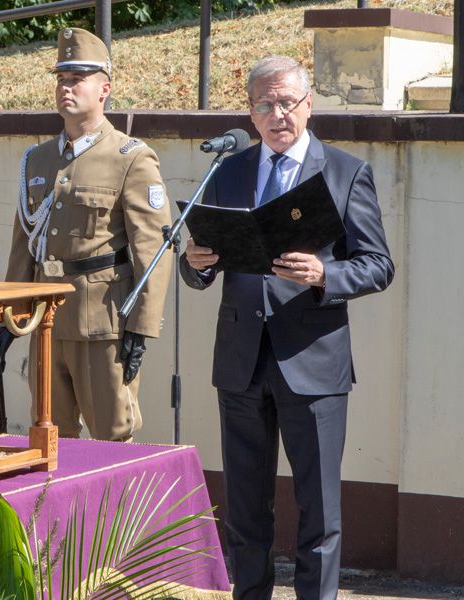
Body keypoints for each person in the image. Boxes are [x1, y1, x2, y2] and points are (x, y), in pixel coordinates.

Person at [179, 55, 394, 600]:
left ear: (309, 106)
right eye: (265, 105)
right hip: (242, 362)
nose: (278, 114)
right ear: (251, 114)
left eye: (288, 102)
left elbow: (377, 264)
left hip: (314, 361)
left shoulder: (345, 172)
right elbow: (200, 263)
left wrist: (327, 273)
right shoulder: (227, 172)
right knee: (245, 511)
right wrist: (196, 264)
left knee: (318, 514)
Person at [1, 27, 172, 442]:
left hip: (102, 323)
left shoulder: (129, 157)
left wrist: (141, 329)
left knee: (113, 438)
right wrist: (8, 319)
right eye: (61, 78)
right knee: (47, 438)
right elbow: (25, 245)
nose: (66, 87)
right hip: (45, 321)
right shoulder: (38, 158)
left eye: (77, 78)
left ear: (104, 89)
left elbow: (154, 250)